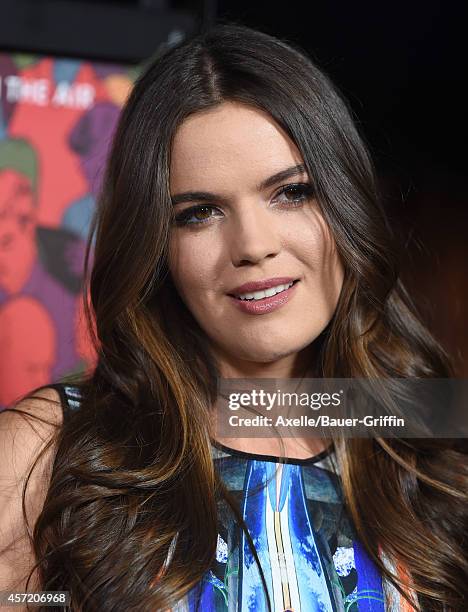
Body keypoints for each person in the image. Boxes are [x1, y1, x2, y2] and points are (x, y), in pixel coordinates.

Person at [0, 22, 466, 612]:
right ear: (156, 245)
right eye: (199, 213)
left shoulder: (423, 434)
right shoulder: (51, 450)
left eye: (291, 193)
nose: (252, 245)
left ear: (344, 199)